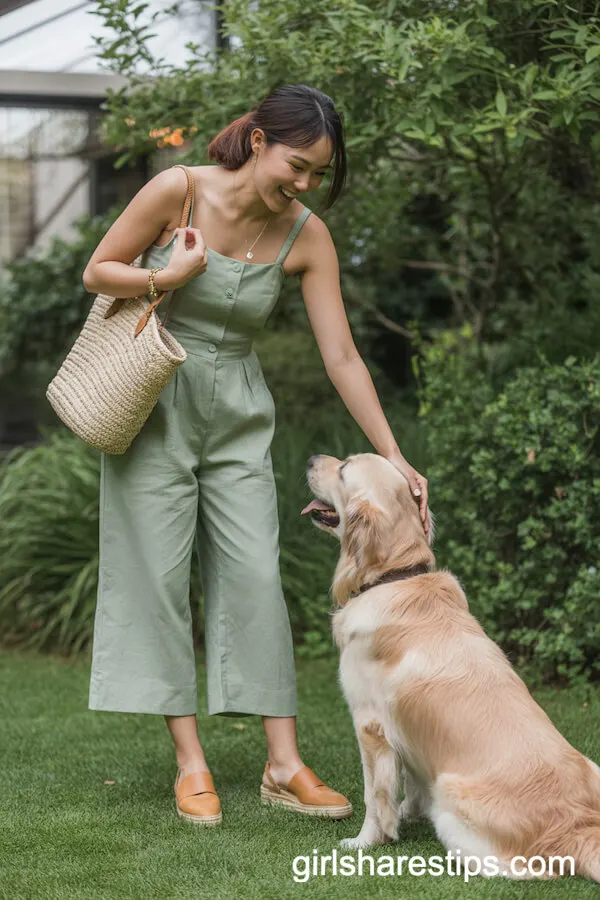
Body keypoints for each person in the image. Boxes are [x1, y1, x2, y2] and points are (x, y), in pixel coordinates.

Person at [82, 83, 430, 827]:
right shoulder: (179, 190)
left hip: (238, 413)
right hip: (154, 398)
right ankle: (192, 764)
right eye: (296, 165)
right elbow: (98, 269)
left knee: (254, 577)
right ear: (260, 141)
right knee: (158, 579)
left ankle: (284, 765)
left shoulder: (307, 234)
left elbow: (340, 356)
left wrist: (392, 455)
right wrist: (165, 277)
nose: (303, 184)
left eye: (317, 174)